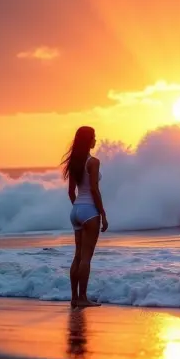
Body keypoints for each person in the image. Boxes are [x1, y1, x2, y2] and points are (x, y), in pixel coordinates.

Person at [61, 126, 109, 308]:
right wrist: (102, 214)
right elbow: (95, 190)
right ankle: (82, 298)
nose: (95, 140)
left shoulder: (75, 162)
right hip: (90, 211)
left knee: (77, 256)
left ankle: (74, 297)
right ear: (88, 140)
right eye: (94, 137)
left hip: (76, 211)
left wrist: (78, 209)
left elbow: (70, 192)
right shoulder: (93, 162)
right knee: (86, 258)